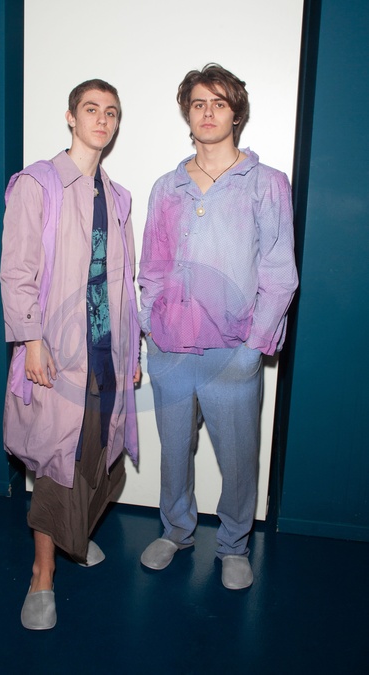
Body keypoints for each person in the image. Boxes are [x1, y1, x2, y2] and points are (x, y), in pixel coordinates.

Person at [138, 64, 298, 589]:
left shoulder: (266, 184)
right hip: (171, 349)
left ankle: (233, 545)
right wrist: (151, 325)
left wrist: (254, 346)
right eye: (199, 103)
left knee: (238, 458)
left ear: (236, 114)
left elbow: (279, 272)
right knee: (173, 452)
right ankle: (175, 531)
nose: (208, 112)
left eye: (219, 103)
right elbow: (152, 267)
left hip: (233, 350)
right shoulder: (167, 187)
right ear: (188, 113)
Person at [0, 78, 140, 630]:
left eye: (111, 112)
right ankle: (43, 573)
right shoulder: (38, 185)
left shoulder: (119, 197)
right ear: (70, 117)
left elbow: (124, 285)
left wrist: (131, 350)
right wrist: (31, 340)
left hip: (109, 352)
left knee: (100, 458)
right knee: (58, 461)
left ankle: (74, 536)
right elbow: (17, 272)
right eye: (91, 109)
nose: (102, 120)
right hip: (57, 352)